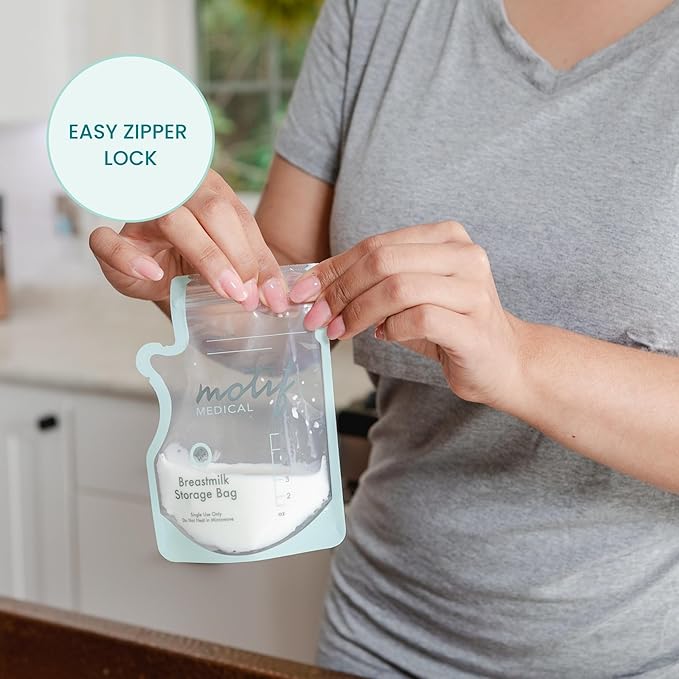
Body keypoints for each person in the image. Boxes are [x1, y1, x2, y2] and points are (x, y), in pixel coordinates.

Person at [90, 0, 679, 676]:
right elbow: (285, 304)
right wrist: (204, 280)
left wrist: (516, 358)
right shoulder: (375, 12)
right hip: (378, 634)